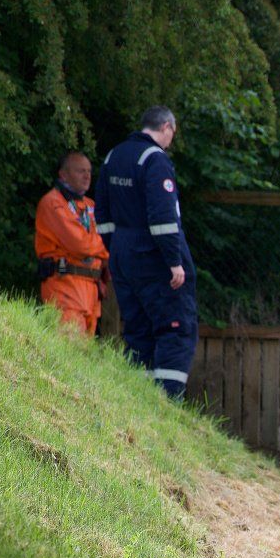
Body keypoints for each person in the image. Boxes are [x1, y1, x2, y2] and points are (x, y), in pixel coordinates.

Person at [95, 106, 198, 398]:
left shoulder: (114, 157)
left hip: (123, 253)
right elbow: (163, 219)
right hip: (155, 257)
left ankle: (138, 400)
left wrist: (116, 249)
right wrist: (174, 262)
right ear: (166, 127)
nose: (170, 142)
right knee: (175, 328)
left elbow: (101, 213)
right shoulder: (155, 160)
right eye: (172, 135)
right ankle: (167, 403)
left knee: (138, 330)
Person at [33, 151, 109, 335]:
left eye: (89, 171)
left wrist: (101, 247)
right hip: (64, 287)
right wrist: (104, 245)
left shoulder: (91, 205)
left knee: (84, 357)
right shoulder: (53, 203)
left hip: (91, 291)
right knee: (70, 352)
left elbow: (107, 245)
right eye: (80, 171)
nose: (87, 176)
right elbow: (80, 245)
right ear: (63, 174)